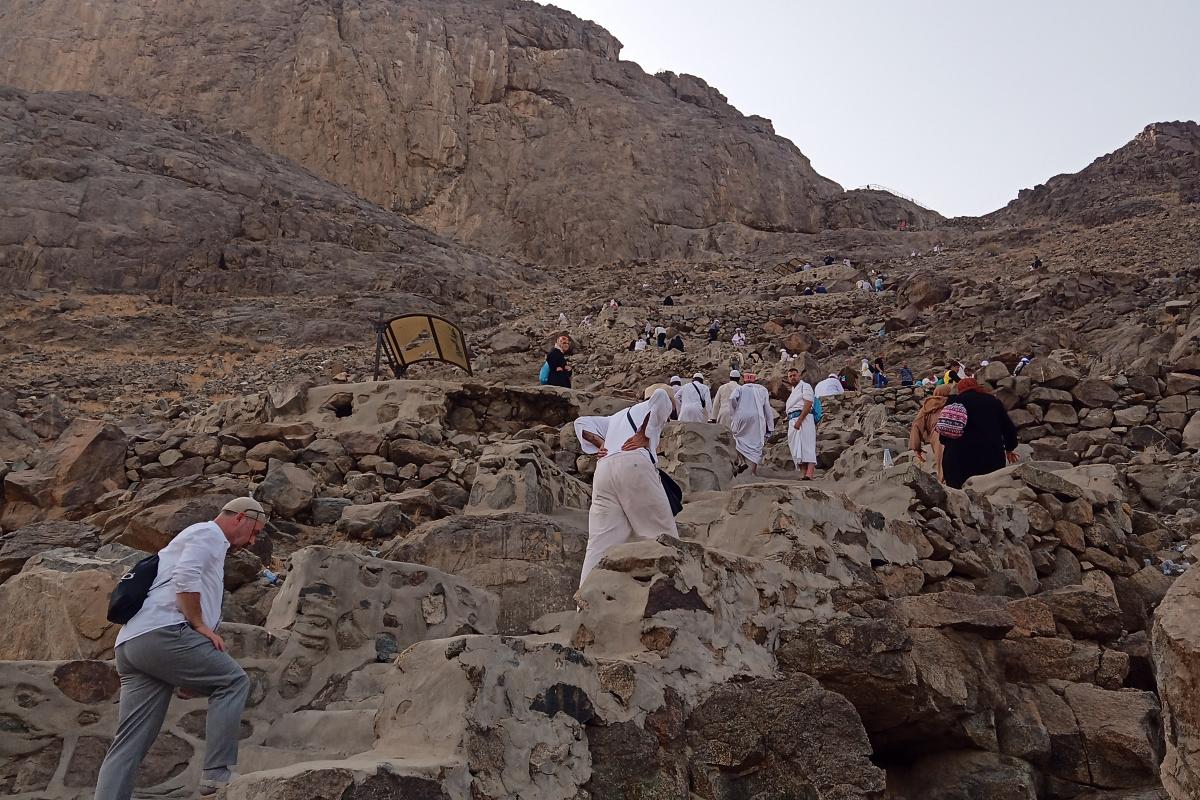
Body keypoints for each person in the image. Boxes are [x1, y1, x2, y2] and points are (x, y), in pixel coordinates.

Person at [95, 498, 266, 800]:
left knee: (130, 742)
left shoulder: (196, 540)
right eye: (254, 532)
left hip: (132, 644)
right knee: (233, 681)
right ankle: (216, 774)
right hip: (164, 633)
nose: (252, 541)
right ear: (240, 517)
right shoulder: (208, 533)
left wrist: (184, 671)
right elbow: (186, 576)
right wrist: (199, 625)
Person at [572, 388, 678, 588]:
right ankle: (671, 592)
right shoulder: (649, 406)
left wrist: (601, 443)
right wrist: (644, 434)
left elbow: (581, 422)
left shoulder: (615, 418)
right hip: (634, 464)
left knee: (599, 545)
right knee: (660, 535)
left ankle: (585, 598)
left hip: (604, 471)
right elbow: (662, 396)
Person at [940, 377, 1019, 490]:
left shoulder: (954, 402)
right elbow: (1008, 428)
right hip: (990, 457)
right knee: (989, 493)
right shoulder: (993, 401)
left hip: (958, 459)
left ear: (959, 389)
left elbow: (944, 434)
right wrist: (1010, 448)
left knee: (960, 494)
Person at [728, 376, 775, 475]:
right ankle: (753, 472)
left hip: (742, 415)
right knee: (756, 443)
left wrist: (736, 409)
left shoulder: (740, 388)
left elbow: (732, 398)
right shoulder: (762, 390)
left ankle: (742, 461)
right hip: (757, 417)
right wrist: (770, 426)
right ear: (755, 381)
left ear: (744, 381)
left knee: (737, 438)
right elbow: (767, 408)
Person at [909, 383, 953, 482]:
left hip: (937, 436)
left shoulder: (928, 406)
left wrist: (916, 447)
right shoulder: (955, 403)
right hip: (955, 432)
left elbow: (916, 425)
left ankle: (943, 482)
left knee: (941, 461)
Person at [785, 368, 817, 480]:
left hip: (804, 419)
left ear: (799, 376)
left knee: (807, 445)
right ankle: (803, 473)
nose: (792, 377)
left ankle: (810, 473)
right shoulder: (793, 391)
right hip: (792, 420)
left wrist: (799, 420)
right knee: (796, 446)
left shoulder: (805, 386)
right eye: (790, 376)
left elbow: (808, 403)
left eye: (794, 375)